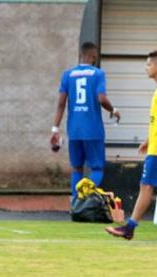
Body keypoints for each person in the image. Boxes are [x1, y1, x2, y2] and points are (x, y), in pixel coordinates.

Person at [105, 50, 157, 242]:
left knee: (146, 186)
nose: (146, 68)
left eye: (148, 64)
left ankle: (129, 228)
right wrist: (150, 140)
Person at [51, 42, 120, 199]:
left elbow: (61, 104)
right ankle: (83, 200)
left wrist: (55, 129)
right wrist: (113, 110)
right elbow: (101, 98)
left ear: (80, 55)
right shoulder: (98, 74)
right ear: (93, 56)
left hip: (74, 130)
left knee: (77, 169)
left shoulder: (67, 75)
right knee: (97, 169)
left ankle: (75, 204)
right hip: (93, 130)